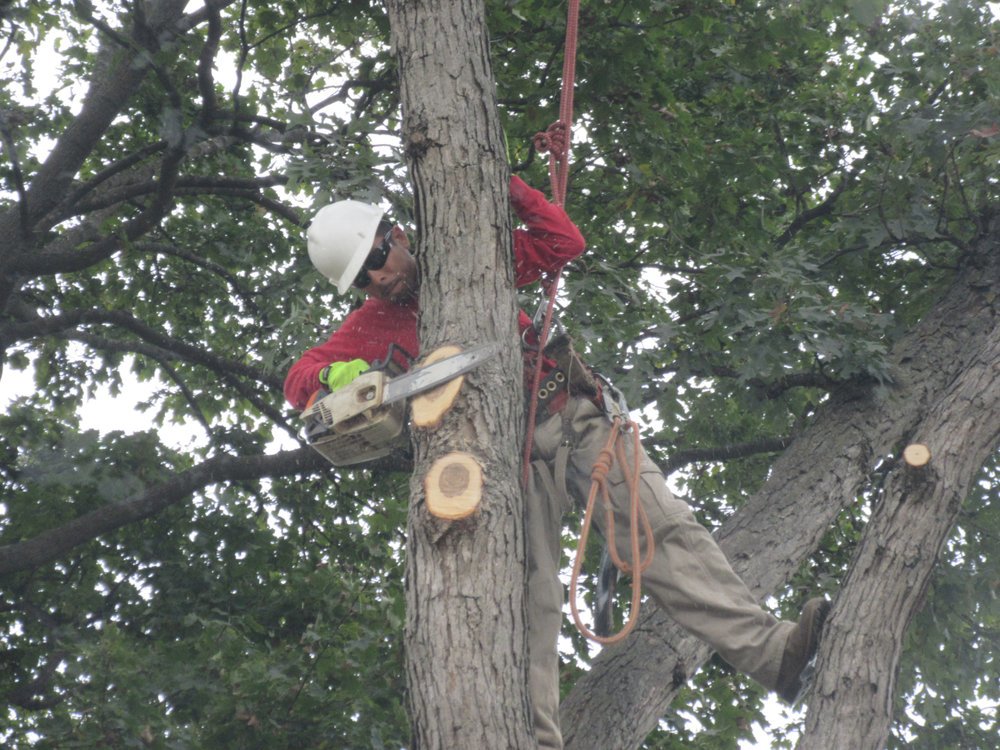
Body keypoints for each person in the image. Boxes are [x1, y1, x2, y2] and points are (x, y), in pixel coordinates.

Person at [284, 175, 830, 749]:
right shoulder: (370, 323)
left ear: (395, 233)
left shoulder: (470, 257)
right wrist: (331, 376)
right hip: (506, 460)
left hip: (574, 416)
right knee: (529, 604)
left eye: (377, 257)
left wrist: (506, 187)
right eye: (364, 277)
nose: (379, 277)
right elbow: (299, 382)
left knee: (663, 531)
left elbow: (562, 243)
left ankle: (776, 657)